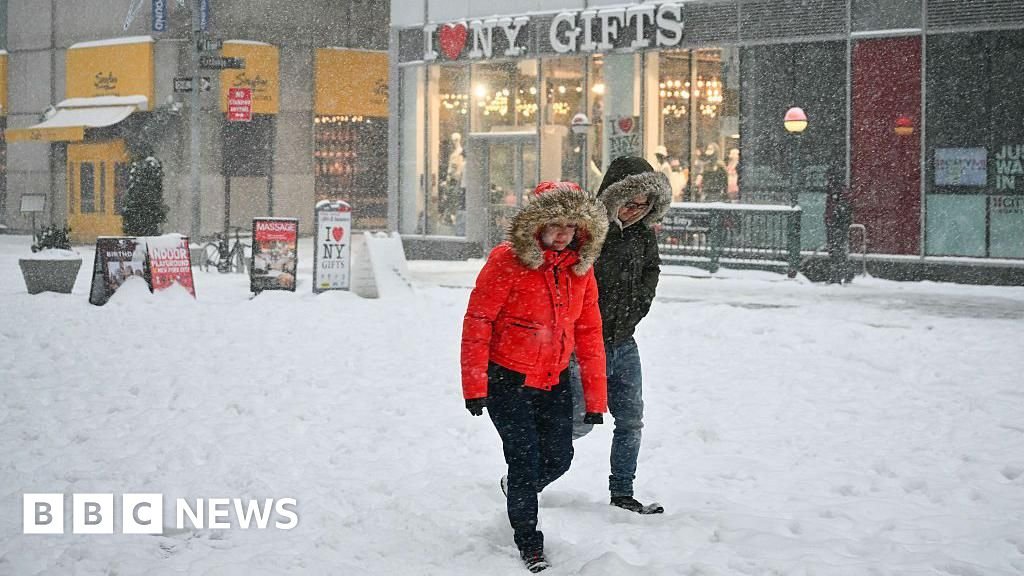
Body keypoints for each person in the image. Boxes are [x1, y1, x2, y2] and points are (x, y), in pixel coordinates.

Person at [461, 180, 609, 573]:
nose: (562, 233)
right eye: (555, 224)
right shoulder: (506, 261)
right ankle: (530, 543)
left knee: (560, 458)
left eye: (571, 226)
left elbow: (590, 334)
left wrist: (596, 401)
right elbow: (479, 322)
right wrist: (475, 387)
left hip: (554, 380)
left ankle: (517, 490)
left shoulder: (581, 270)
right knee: (524, 460)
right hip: (507, 380)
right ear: (537, 225)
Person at [572, 156, 671, 515]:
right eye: (629, 203)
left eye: (644, 205)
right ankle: (527, 478)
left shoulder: (643, 235)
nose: (634, 212)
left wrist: (636, 309)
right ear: (613, 196)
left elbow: (651, 272)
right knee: (578, 422)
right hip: (583, 346)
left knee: (630, 420)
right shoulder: (587, 232)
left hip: (624, 341)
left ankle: (622, 492)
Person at [825, 166, 853, 284]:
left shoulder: (836, 191)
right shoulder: (837, 190)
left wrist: (833, 219)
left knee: (835, 250)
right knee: (838, 249)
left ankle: (837, 275)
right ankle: (845, 272)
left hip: (836, 224)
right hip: (837, 224)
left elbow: (838, 208)